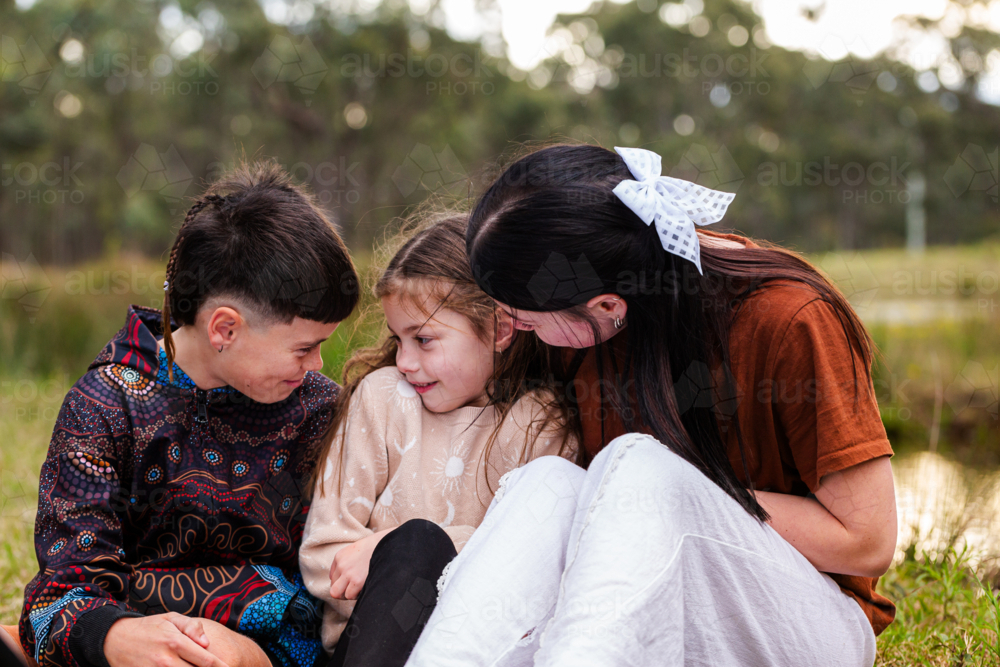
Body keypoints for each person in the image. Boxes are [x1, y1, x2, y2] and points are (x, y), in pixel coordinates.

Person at [406, 144, 898, 666]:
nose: (513, 328)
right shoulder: (587, 323)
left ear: (607, 306)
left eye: (523, 318)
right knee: (547, 482)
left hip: (802, 622)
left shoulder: (790, 319)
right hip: (650, 601)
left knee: (639, 469)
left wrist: (669, 498)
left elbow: (866, 542)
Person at [14, 161, 359, 667]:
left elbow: (336, 578)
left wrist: (244, 652)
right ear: (224, 328)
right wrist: (117, 639)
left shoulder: (319, 409)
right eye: (305, 347)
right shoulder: (106, 406)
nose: (317, 366)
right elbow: (60, 595)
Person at [298, 215, 578, 667]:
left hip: (476, 647)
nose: (405, 360)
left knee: (419, 543)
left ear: (501, 330)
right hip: (371, 648)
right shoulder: (384, 399)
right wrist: (400, 560)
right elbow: (322, 554)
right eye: (398, 339)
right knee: (415, 547)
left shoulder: (541, 427)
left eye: (424, 340)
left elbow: (535, 566)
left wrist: (386, 546)